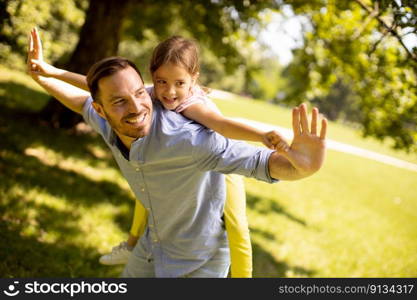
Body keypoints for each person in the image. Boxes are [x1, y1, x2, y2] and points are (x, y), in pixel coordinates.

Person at [27, 28, 327, 278]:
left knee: (236, 224)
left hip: (198, 261)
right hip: (153, 245)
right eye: (119, 101)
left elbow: (260, 161)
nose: (135, 107)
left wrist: (302, 166)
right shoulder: (108, 120)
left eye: (138, 94)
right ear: (102, 110)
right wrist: (46, 76)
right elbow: (83, 98)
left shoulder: (189, 138)